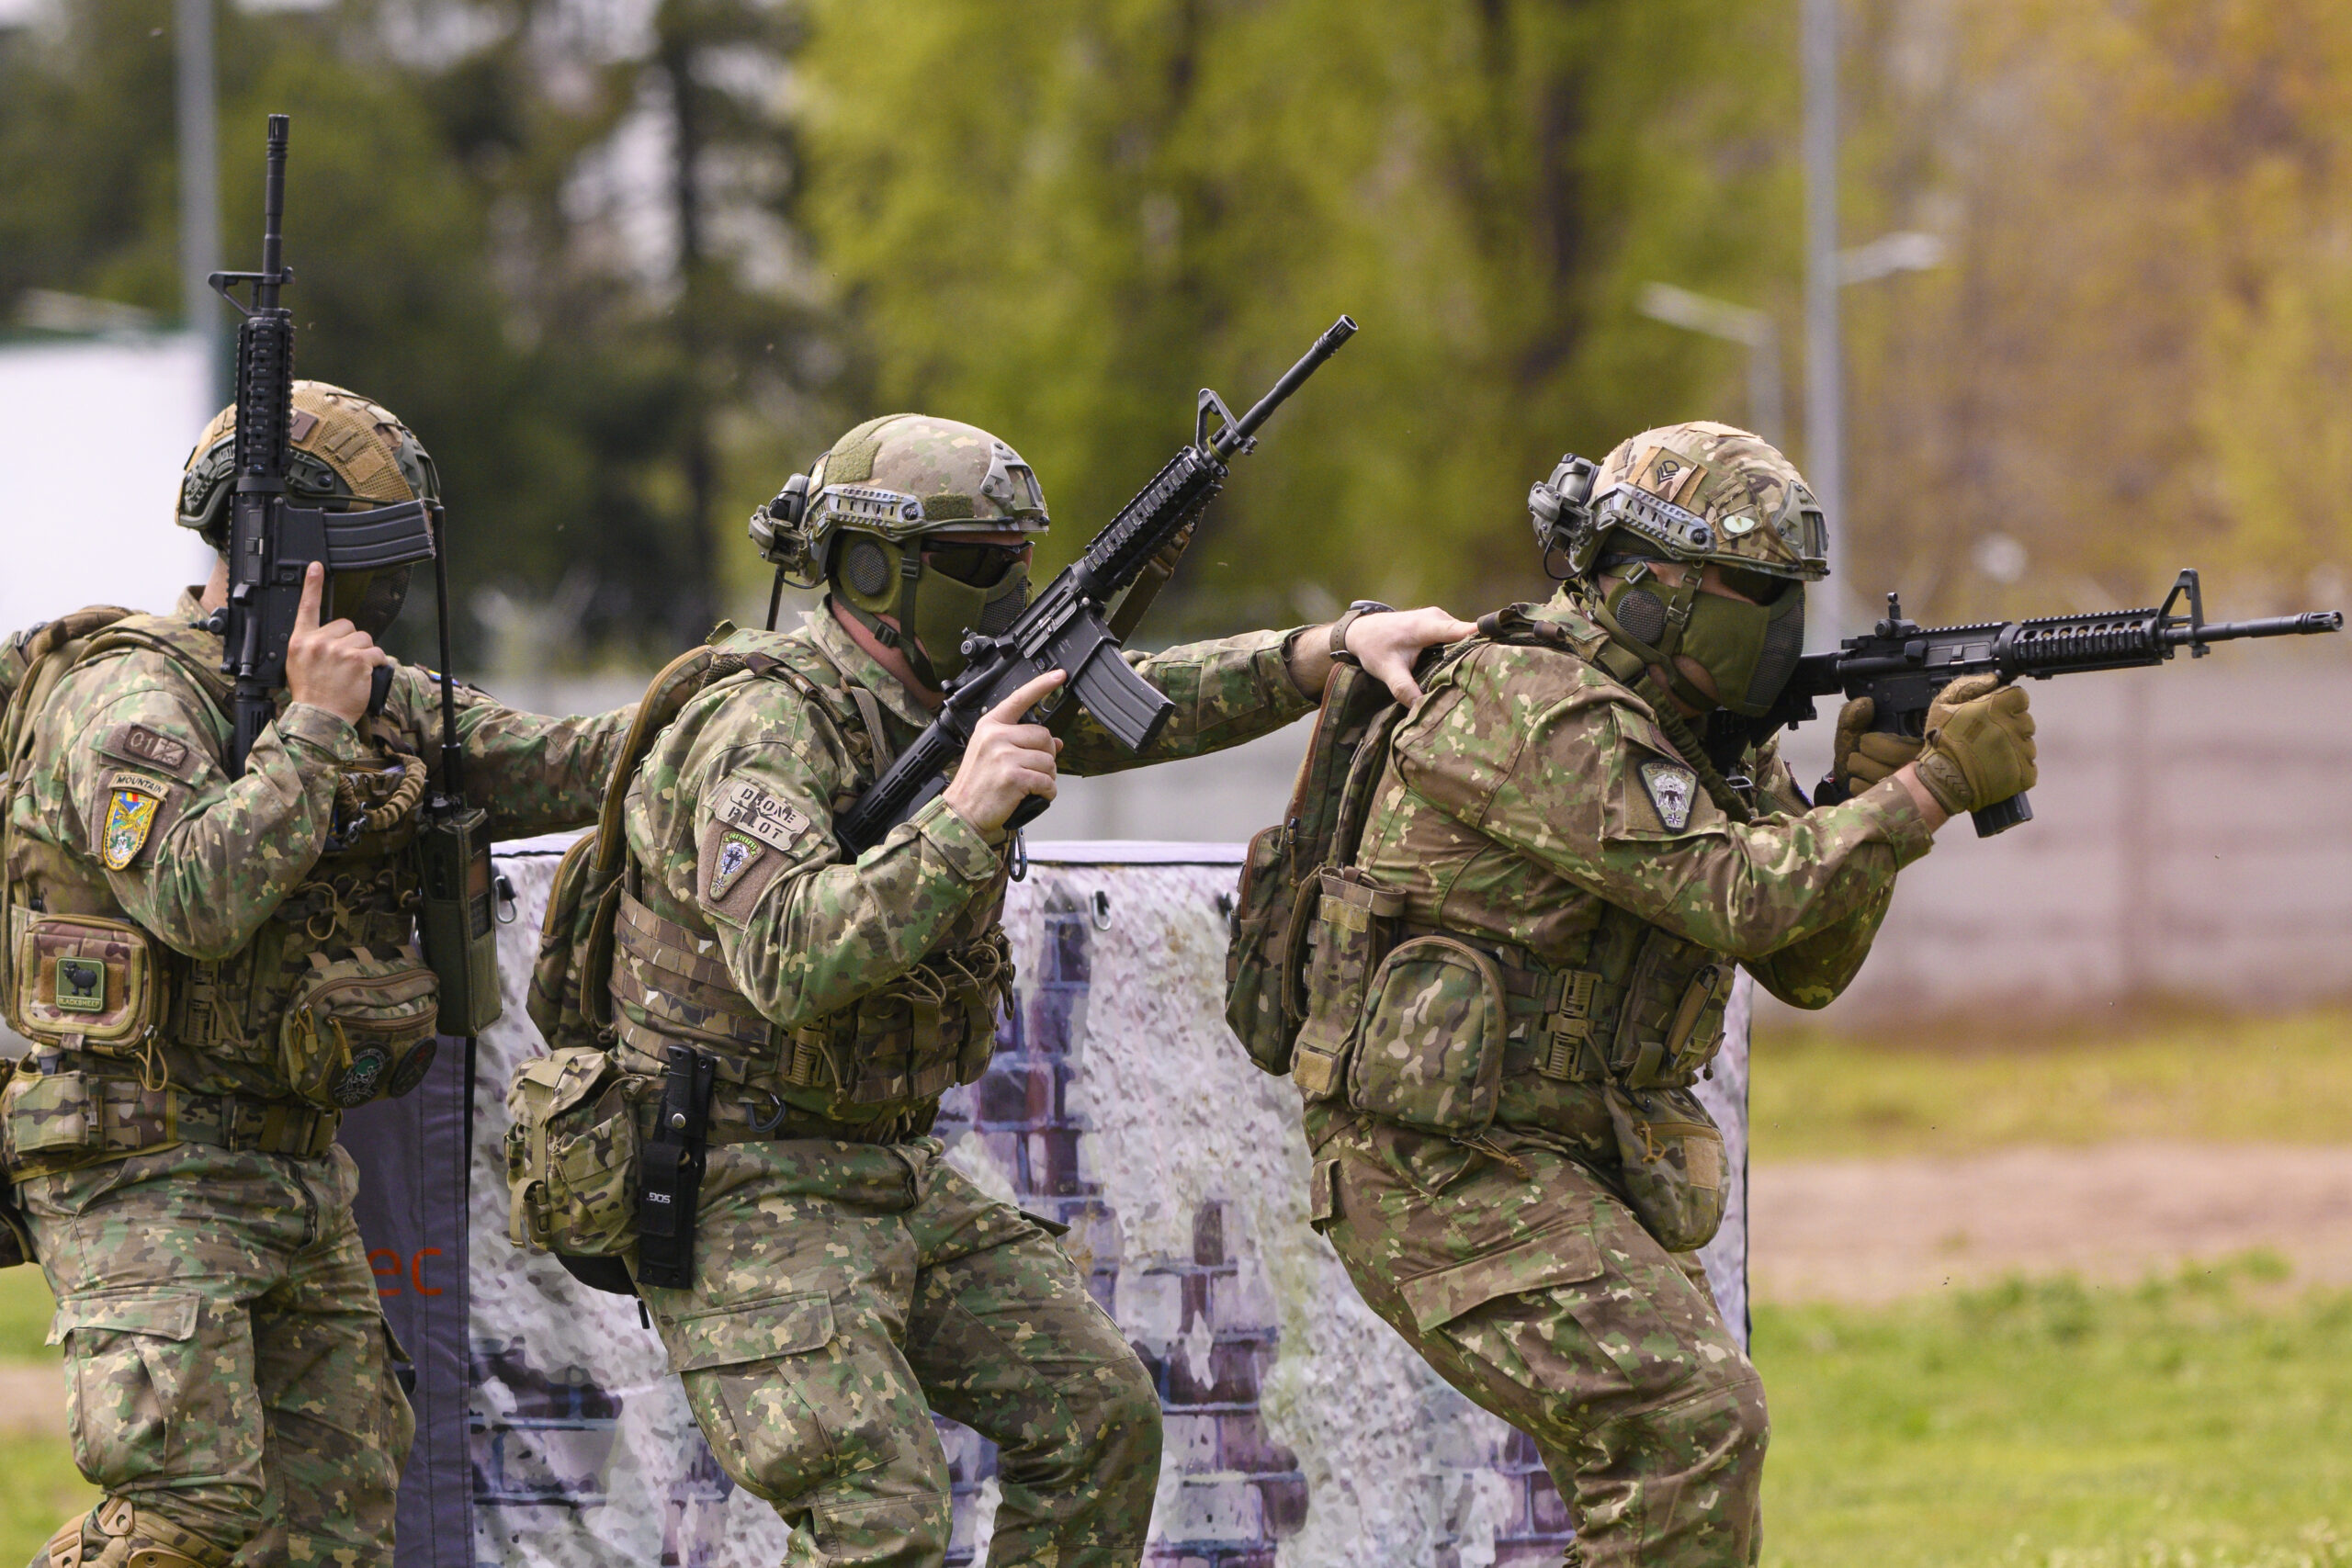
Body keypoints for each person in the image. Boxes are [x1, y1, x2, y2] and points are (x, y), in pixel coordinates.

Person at [592, 413, 1469, 1564]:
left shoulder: (940, 693)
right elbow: (787, 960)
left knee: (1097, 1419)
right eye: (974, 565)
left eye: (1017, 560)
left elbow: (1135, 698)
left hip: (881, 1162)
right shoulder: (765, 723)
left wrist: (1327, 651)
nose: (1005, 587)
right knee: (880, 1511)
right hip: (740, 1177)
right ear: (872, 570)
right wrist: (963, 822)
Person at [1288, 422, 2037, 1567]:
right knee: (1689, 1427)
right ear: (1648, 584)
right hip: (1433, 1165)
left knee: (1687, 1448)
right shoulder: (1528, 706)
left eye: (1789, 593)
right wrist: (1928, 791)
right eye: (1752, 589)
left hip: (1572, 1157)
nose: (1778, 619)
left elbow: (1806, 967)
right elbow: (1744, 898)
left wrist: (1858, 792)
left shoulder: (1706, 743)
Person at [2, 382, 638, 1568]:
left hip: (288, 1164)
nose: (390, 604)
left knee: (339, 1518)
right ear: (289, 562)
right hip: (139, 1159)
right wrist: (312, 728)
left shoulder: (362, 699)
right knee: (189, 1509)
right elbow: (195, 894)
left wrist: (723, 703)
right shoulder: (128, 699)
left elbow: (560, 761)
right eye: (370, 573)